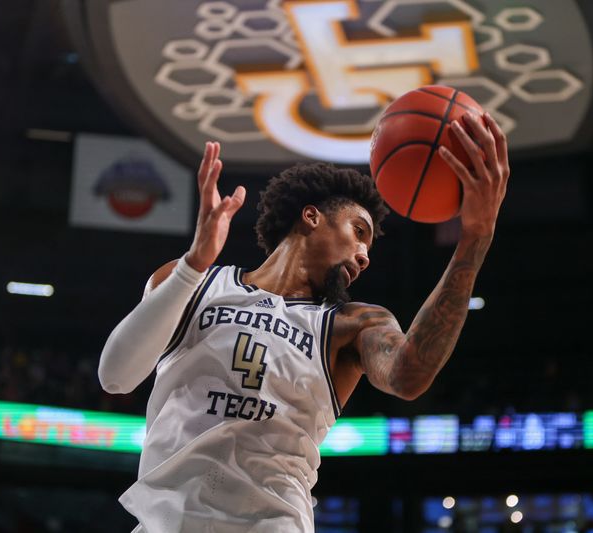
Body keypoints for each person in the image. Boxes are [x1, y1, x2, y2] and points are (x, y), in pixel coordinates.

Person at [98, 112, 510, 532]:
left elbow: (408, 375)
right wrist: (193, 264)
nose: (366, 255)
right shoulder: (194, 282)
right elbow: (115, 378)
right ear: (311, 217)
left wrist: (474, 239)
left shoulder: (349, 325)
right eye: (359, 231)